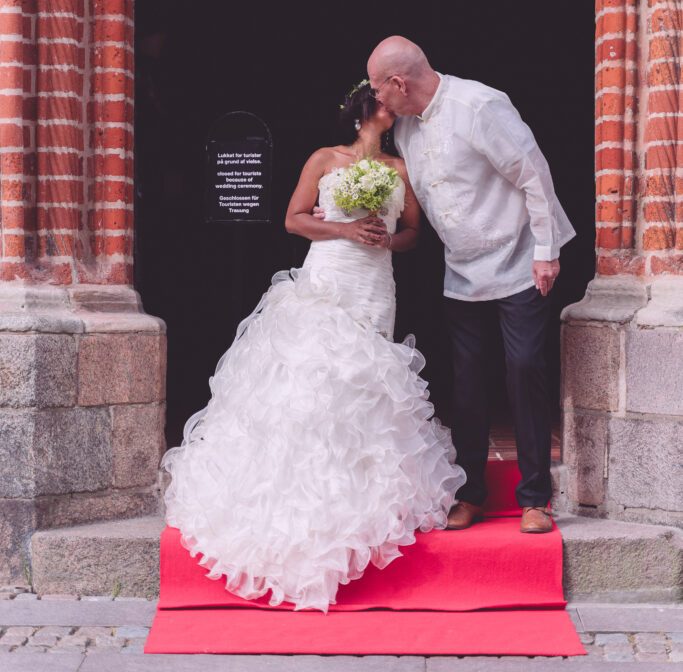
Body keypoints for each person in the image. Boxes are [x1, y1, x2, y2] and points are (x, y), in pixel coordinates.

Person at [160, 81, 466, 613]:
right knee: (316, 375)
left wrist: (385, 239)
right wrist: (347, 233)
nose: (395, 108)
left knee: (365, 379)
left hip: (375, 284)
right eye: (387, 101)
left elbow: (415, 231)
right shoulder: (326, 158)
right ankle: (304, 498)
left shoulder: (398, 169)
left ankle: (366, 492)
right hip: (329, 276)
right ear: (368, 107)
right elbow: (293, 219)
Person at [366, 36, 576, 534]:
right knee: (467, 383)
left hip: (520, 258)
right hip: (462, 270)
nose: (377, 100)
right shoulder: (407, 130)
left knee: (524, 368)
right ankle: (471, 493)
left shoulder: (479, 105)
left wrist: (546, 251)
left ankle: (534, 499)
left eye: (379, 90)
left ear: (399, 83)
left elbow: (534, 175)